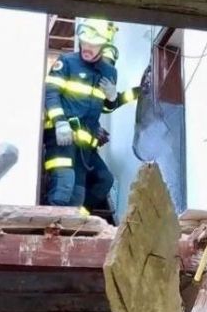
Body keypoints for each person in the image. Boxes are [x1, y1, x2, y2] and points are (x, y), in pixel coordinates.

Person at [42, 18, 139, 220]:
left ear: (103, 45)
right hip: (61, 137)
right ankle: (49, 230)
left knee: (84, 192)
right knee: (64, 185)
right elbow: (50, 93)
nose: (87, 47)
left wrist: (113, 97)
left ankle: (76, 224)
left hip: (85, 146)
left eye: (93, 45)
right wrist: (60, 121)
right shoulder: (67, 62)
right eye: (84, 42)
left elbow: (104, 107)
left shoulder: (109, 72)